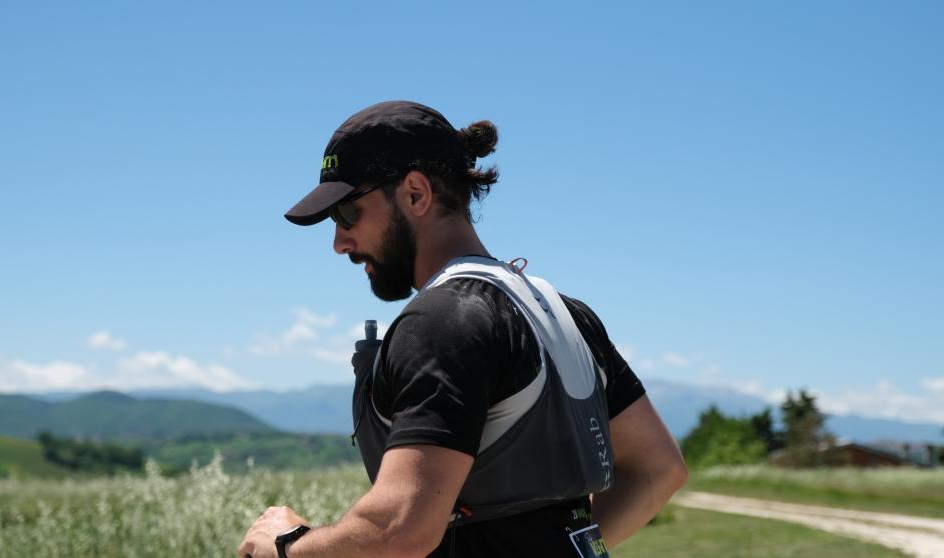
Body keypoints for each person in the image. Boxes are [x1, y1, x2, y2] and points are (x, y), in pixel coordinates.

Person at [238, 101, 687, 558]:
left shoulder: (442, 321)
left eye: (348, 214)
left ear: (415, 194)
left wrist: (286, 545)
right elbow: (657, 469)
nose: (339, 243)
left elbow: (402, 527)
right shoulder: (565, 313)